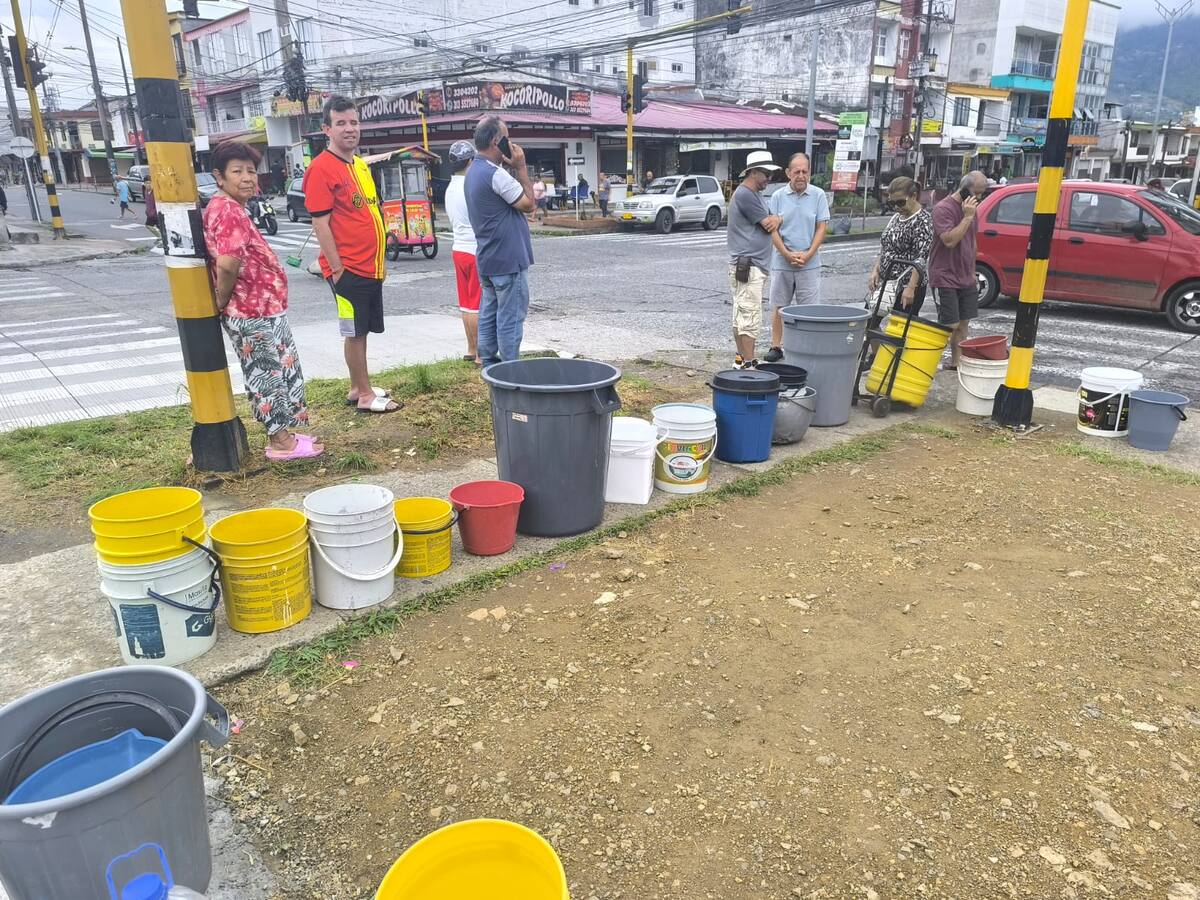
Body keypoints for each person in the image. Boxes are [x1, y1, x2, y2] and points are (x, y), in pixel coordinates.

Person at [202, 141, 322, 462]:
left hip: (264, 308)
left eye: (251, 171)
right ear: (219, 176)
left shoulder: (233, 208)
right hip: (248, 310)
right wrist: (220, 300)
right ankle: (280, 441)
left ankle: (287, 432)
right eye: (237, 171)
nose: (246, 178)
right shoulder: (225, 210)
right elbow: (228, 263)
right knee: (266, 372)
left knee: (282, 368)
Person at [303, 95, 399, 413]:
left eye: (354, 122)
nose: (349, 129)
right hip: (348, 269)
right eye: (341, 123)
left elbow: (368, 211)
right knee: (354, 331)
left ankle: (359, 386)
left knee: (362, 329)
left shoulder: (358, 164)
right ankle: (367, 395)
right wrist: (337, 268)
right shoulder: (321, 169)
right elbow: (321, 223)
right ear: (326, 129)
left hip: (370, 266)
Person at [464, 115, 536, 365]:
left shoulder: (473, 171)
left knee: (489, 313)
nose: (511, 143)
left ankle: (488, 362)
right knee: (510, 318)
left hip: (489, 257)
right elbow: (528, 204)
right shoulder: (495, 175)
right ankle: (509, 370)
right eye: (507, 138)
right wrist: (521, 167)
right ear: (496, 141)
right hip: (508, 260)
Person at [764, 152, 830, 361]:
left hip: (809, 262)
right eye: (796, 172)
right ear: (788, 173)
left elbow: (822, 227)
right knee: (779, 305)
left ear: (809, 172)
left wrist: (809, 254)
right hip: (783, 261)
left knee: (808, 310)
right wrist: (786, 253)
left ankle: (806, 347)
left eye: (805, 171)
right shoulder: (777, 197)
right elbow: (772, 230)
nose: (801, 175)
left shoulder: (818, 195)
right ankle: (776, 346)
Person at [726, 150, 783, 369]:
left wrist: (777, 218)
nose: (769, 178)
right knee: (749, 316)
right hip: (748, 265)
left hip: (745, 263)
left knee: (741, 313)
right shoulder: (746, 194)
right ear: (753, 172)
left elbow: (772, 221)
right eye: (766, 173)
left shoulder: (753, 193)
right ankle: (748, 364)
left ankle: (742, 360)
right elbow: (768, 224)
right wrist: (778, 218)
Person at [929, 170, 988, 370]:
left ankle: (956, 363)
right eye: (976, 193)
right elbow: (949, 240)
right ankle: (928, 360)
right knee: (949, 324)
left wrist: (972, 271)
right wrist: (967, 217)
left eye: (982, 194)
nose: (978, 198)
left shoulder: (972, 210)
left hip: (965, 275)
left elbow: (972, 242)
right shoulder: (943, 208)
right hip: (944, 275)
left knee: (963, 324)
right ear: (963, 190)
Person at [868, 176, 933, 316]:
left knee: (898, 331)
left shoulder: (923, 220)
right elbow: (885, 246)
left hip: (906, 285)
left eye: (901, 202)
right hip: (886, 283)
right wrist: (875, 270)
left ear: (913, 196)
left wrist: (911, 288)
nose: (897, 207)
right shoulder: (896, 217)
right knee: (869, 324)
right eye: (892, 203)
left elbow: (921, 259)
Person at [445, 140, 481, 364]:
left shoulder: (450, 188)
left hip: (458, 249)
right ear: (470, 161)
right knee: (478, 304)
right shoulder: (470, 187)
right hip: (475, 249)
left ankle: (471, 348)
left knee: (466, 303)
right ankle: (480, 353)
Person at [143, 182, 161, 249]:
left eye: (149, 183)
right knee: (151, 226)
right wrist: (147, 211)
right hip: (150, 213)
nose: (148, 185)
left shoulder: (155, 192)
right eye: (146, 183)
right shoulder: (146, 192)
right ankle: (160, 238)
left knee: (150, 225)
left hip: (155, 213)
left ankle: (161, 238)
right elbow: (147, 203)